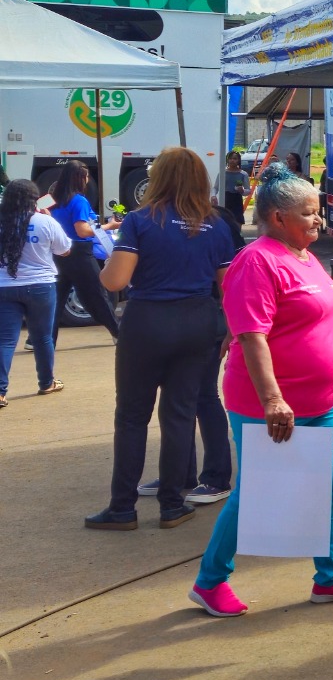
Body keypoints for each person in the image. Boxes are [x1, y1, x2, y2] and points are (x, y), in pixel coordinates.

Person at [189, 163, 333, 616]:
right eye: (309, 213)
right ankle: (209, 581)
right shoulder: (257, 260)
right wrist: (273, 399)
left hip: (324, 399)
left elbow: (317, 324)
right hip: (269, 403)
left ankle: (331, 577)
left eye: (318, 211)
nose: (319, 220)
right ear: (278, 217)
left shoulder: (305, 256)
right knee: (259, 490)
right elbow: (251, 336)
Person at [83, 148, 239, 532]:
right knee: (180, 414)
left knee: (132, 416)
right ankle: (172, 504)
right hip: (199, 322)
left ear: (159, 178)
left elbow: (115, 281)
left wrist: (104, 266)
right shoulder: (216, 224)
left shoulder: (140, 220)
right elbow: (229, 288)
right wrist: (231, 331)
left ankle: (122, 508)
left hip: (147, 322)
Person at [135, 200, 246, 506]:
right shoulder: (159, 219)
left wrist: (231, 325)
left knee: (203, 396)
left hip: (207, 318)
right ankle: (178, 474)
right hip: (179, 320)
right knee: (177, 399)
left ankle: (216, 477)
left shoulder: (216, 221)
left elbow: (232, 278)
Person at [0, 179, 71, 407]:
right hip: (41, 286)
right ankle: (46, 382)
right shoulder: (44, 221)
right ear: (34, 199)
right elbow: (64, 250)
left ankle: (0, 392)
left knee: (5, 341)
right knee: (42, 338)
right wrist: (48, 219)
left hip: (5, 286)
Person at [49, 160, 120, 343]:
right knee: (98, 295)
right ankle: (118, 333)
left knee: (56, 299)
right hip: (79, 253)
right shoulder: (79, 200)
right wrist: (109, 226)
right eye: (86, 176)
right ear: (80, 178)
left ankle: (42, 340)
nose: (88, 180)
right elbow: (82, 230)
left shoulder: (53, 200)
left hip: (57, 252)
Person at [222, 151, 250, 225]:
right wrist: (213, 196)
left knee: (238, 222)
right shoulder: (223, 173)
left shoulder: (243, 174)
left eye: (235, 159)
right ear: (227, 160)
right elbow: (215, 187)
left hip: (237, 200)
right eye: (230, 158)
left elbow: (248, 191)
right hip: (226, 199)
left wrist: (242, 190)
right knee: (226, 222)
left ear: (238, 161)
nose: (232, 160)